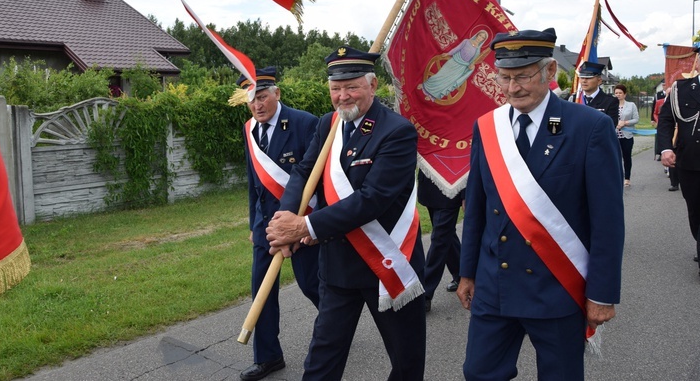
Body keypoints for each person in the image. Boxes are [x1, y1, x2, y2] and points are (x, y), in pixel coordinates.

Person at [456, 28, 625, 381]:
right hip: (495, 284)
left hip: (556, 286)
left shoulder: (589, 127)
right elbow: (477, 207)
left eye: (523, 76)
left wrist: (603, 293)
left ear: (550, 72)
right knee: (478, 372)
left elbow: (607, 221)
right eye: (504, 77)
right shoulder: (488, 127)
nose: (513, 88)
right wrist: (467, 272)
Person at [265, 46, 426, 380]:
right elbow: (303, 174)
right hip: (338, 265)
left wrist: (304, 226)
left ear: (373, 84)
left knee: (406, 361)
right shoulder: (328, 125)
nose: (342, 95)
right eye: (335, 88)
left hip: (388, 264)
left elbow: (372, 199)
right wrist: (285, 220)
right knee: (322, 360)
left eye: (351, 86)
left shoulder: (397, 132)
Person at [236, 67, 321, 381]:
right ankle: (268, 358)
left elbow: (320, 181)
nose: (257, 105)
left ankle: (333, 336)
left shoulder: (304, 123)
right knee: (262, 292)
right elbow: (254, 184)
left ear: (277, 94)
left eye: (262, 97)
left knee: (312, 285)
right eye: (251, 100)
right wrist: (252, 224)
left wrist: (311, 224)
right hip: (266, 229)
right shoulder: (250, 130)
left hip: (300, 226)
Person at [657, 71, 700, 274]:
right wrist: (666, 148)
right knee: (695, 209)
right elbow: (665, 120)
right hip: (690, 161)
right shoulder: (680, 89)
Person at [417, 171, 462, 312]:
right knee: (446, 235)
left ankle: (425, 294)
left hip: (452, 186)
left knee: (440, 239)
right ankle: (461, 275)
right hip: (430, 185)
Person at [576, 61, 619, 126]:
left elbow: (610, 126)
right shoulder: (574, 99)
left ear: (599, 81)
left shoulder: (610, 101)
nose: (584, 81)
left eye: (588, 78)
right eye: (582, 78)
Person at [614, 84, 640, 186]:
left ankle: (627, 178)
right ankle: (617, 176)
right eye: (616, 93)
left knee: (626, 157)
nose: (618, 95)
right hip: (614, 135)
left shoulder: (631, 105)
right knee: (615, 158)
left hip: (627, 135)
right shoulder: (611, 105)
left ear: (625, 94)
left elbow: (636, 119)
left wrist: (625, 122)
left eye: (620, 93)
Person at [653, 88, 679, 191]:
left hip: (680, 131)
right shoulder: (661, 102)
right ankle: (674, 182)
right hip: (671, 132)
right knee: (672, 154)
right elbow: (657, 113)